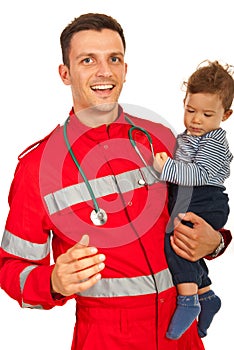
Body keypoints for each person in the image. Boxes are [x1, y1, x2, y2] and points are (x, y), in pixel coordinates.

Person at [0, 13, 232, 350]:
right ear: (65, 73)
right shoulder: (36, 168)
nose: (104, 71)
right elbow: (11, 268)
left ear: (125, 68)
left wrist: (215, 243)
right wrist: (52, 281)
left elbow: (199, 209)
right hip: (106, 338)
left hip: (181, 333)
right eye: (87, 60)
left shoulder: (161, 138)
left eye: (114, 59)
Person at [153, 60, 234, 340]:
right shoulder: (189, 136)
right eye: (190, 110)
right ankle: (206, 294)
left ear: (226, 114)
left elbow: (199, 173)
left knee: (175, 239)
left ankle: (188, 301)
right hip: (191, 196)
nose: (197, 120)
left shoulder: (213, 141)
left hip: (205, 198)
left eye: (207, 114)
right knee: (186, 244)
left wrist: (167, 169)